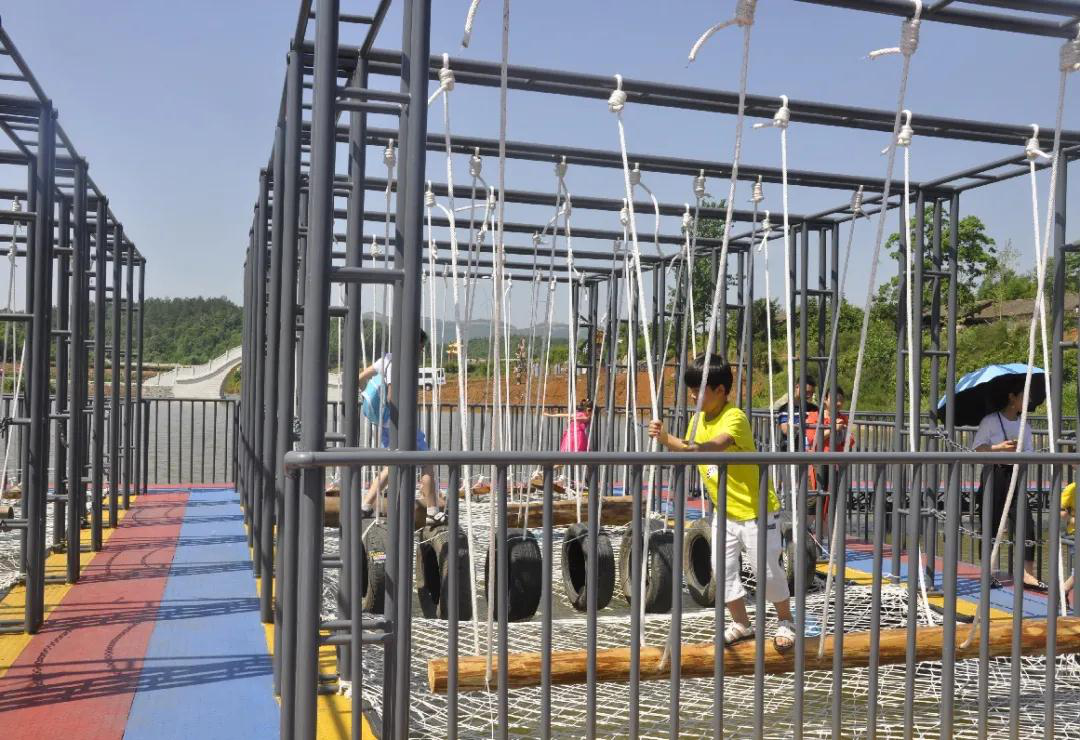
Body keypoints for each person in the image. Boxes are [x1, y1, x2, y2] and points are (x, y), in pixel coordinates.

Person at [648, 354, 797, 651]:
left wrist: (672, 441)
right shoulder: (697, 420)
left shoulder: (734, 417)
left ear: (720, 390)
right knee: (723, 570)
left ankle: (786, 620)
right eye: (691, 391)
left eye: (698, 391)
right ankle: (742, 623)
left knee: (767, 570)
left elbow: (713, 446)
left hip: (756, 511)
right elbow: (689, 449)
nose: (693, 397)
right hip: (724, 513)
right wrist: (668, 441)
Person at [358, 328, 444, 525]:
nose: (421, 351)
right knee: (427, 461)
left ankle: (366, 505)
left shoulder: (386, 359)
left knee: (392, 464)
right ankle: (432, 511)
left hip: (384, 423)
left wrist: (369, 399)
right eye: (421, 346)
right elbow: (392, 396)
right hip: (399, 421)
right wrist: (402, 415)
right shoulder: (400, 364)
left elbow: (361, 378)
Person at [972, 375, 1045, 591]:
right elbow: (977, 448)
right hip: (994, 473)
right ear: (1012, 397)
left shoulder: (1025, 425)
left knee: (1026, 523)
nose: (1028, 400)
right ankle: (988, 573)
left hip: (1016, 474)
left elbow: (1030, 451)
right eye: (1025, 396)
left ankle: (1027, 574)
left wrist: (1021, 451)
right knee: (991, 522)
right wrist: (999, 448)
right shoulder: (991, 421)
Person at [805, 385, 853, 497]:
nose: (838, 403)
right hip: (818, 462)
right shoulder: (815, 416)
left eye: (841, 400)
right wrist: (832, 429)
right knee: (816, 498)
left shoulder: (844, 418)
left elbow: (850, 441)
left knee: (833, 497)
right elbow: (813, 439)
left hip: (837, 463)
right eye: (835, 400)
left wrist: (843, 431)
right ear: (825, 400)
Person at [776, 375, 818, 446]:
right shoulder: (785, 408)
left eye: (812, 393)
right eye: (807, 392)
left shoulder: (814, 409)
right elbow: (786, 430)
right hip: (791, 449)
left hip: (810, 449)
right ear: (797, 387)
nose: (809, 395)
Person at [1061, 479, 1076, 607]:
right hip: (1075, 533)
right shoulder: (1071, 489)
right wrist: (1073, 520)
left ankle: (1063, 590)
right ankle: (1063, 589)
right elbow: (1060, 511)